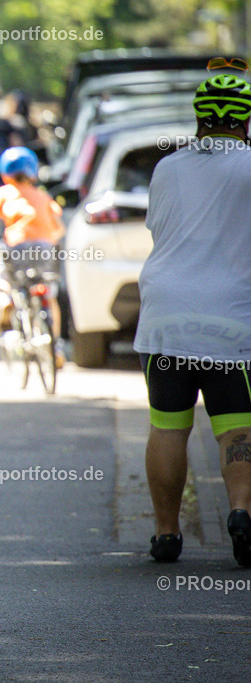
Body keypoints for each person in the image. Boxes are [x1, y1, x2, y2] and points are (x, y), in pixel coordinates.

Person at [133, 74, 251, 566]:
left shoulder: (168, 167)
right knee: (237, 429)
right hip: (231, 317)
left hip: (165, 315)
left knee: (168, 426)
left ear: (200, 117)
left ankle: (165, 534)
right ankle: (242, 513)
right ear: (244, 118)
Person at [0, 146, 66, 367]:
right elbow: (58, 228)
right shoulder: (43, 196)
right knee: (48, 293)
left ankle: (6, 301)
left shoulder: (4, 194)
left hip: (17, 248)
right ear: (34, 172)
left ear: (4, 173)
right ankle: (55, 345)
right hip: (45, 249)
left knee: (4, 280)